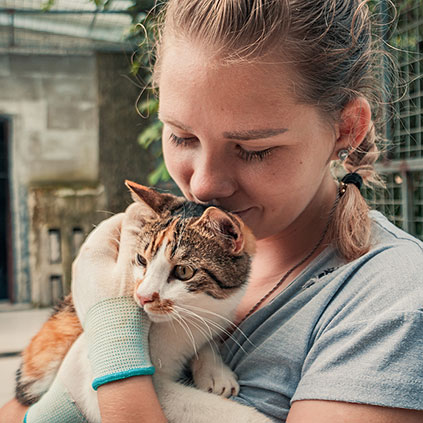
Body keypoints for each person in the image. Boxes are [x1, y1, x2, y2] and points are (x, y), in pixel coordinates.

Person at [1, 0, 423, 422]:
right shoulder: (170, 241)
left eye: (254, 149)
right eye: (182, 136)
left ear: (346, 128)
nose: (203, 185)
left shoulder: (392, 302)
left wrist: (113, 340)